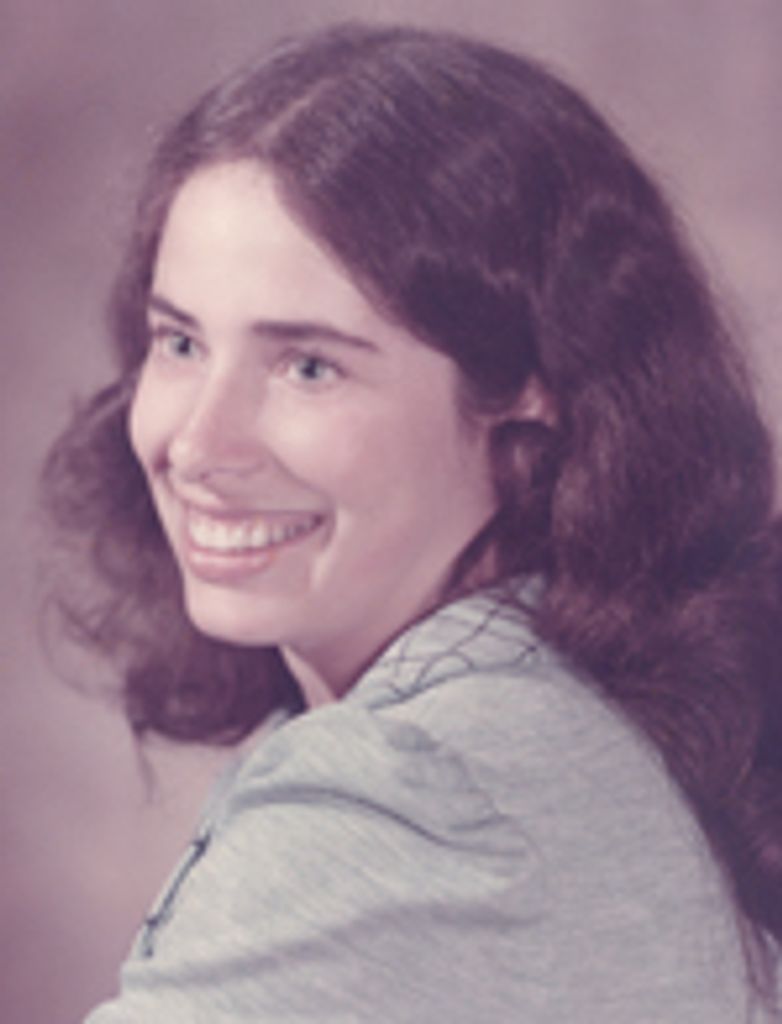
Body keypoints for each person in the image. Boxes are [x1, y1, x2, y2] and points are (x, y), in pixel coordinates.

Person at [42, 21, 782, 1022]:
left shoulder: (415, 796)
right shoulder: (579, 725)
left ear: (529, 392)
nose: (199, 443)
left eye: (308, 366)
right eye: (179, 343)